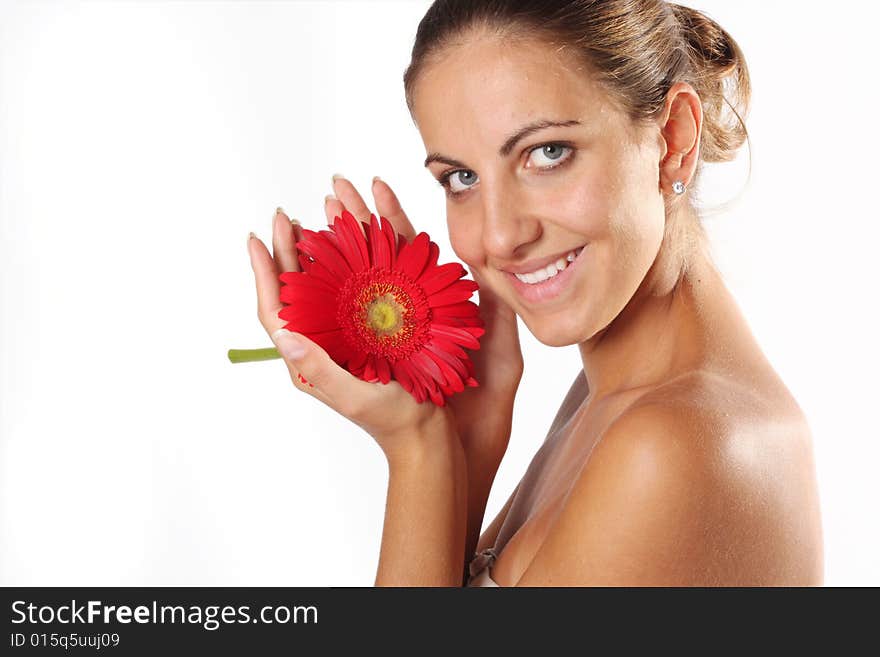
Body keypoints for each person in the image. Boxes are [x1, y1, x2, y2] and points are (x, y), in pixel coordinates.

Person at [247, 0, 823, 586]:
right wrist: (466, 440)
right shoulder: (605, 399)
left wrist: (418, 448)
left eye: (548, 153)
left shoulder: (673, 445)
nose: (499, 236)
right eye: (461, 179)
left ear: (672, 138)